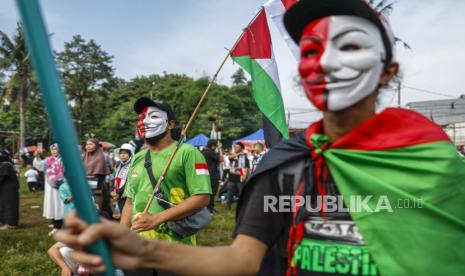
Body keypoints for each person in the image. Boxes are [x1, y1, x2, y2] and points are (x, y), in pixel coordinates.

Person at [54, 1, 465, 275]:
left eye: (351, 46)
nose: (325, 61)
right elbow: (241, 260)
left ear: (388, 71)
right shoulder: (285, 164)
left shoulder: (429, 156)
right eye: (310, 51)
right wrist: (139, 249)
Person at [120, 97, 211, 275]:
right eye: (141, 118)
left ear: (170, 124)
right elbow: (130, 202)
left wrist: (157, 218)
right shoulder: (138, 158)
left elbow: (202, 197)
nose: (145, 121)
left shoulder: (188, 153)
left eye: (153, 117)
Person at [83, 138, 112, 218]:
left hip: (98, 187)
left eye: (90, 144)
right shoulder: (84, 156)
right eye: (87, 144)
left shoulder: (100, 157)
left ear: (96, 146)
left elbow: (100, 174)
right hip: (86, 186)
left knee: (99, 208)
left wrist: (97, 189)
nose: (88, 146)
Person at [43, 144, 64, 233]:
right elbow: (41, 167)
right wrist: (37, 158)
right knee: (52, 202)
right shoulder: (48, 160)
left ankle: (58, 224)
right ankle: (54, 221)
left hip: (60, 184)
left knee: (59, 203)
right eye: (52, 149)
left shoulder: (63, 159)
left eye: (56, 149)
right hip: (49, 185)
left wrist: (59, 180)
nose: (54, 151)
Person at [111, 143, 135, 215]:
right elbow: (116, 178)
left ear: (130, 154)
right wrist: (113, 191)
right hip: (118, 195)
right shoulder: (119, 164)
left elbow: (131, 182)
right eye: (121, 153)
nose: (122, 155)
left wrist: (118, 192)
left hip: (128, 197)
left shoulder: (133, 165)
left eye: (125, 153)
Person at [226, 142, 249, 210]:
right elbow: (230, 157)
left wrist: (245, 176)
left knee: (242, 192)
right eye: (235, 147)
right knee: (230, 192)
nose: (235, 148)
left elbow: (247, 167)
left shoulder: (245, 157)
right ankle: (228, 206)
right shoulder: (233, 155)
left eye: (237, 147)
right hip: (232, 177)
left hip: (240, 177)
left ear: (241, 149)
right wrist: (239, 154)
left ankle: (243, 207)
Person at [201, 139, 223, 213]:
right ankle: (209, 209)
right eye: (216, 146)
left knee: (208, 193)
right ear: (213, 146)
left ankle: (210, 208)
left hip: (205, 175)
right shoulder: (210, 152)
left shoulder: (203, 152)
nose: (216, 147)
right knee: (212, 192)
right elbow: (221, 159)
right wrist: (220, 149)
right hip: (212, 175)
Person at [0, 149, 19, 230]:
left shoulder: (6, 165)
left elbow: (1, 177)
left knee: (9, 205)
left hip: (9, 189)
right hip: (4, 188)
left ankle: (11, 223)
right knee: (2, 204)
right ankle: (3, 221)